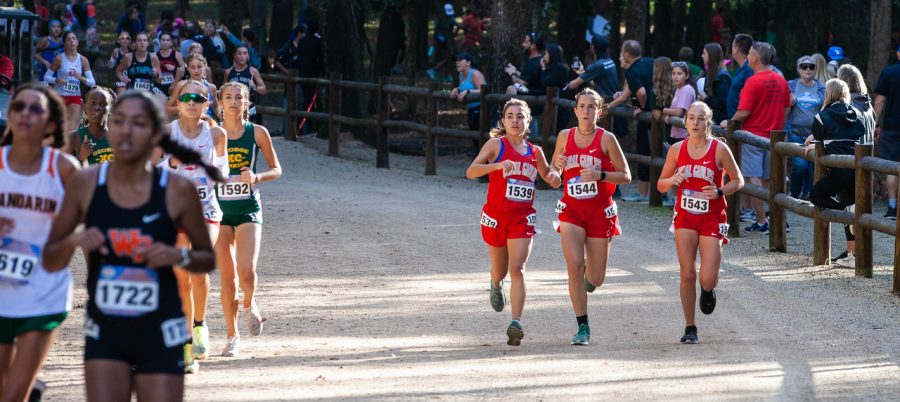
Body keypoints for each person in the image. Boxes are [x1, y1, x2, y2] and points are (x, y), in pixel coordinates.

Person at [43, 90, 219, 401]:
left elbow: (206, 259)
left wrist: (176, 255)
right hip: (106, 328)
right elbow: (50, 258)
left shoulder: (177, 189)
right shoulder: (85, 184)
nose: (125, 130)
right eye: (119, 121)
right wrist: (74, 239)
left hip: (162, 326)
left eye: (138, 122)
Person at [0, 83, 77, 402]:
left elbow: (80, 230)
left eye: (35, 109)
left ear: (50, 123)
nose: (25, 114)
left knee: (13, 396)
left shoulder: (63, 169)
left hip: (44, 292)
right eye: (19, 107)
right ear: (8, 115)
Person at [465, 98, 560, 346]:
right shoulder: (496, 144)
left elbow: (549, 175)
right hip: (496, 218)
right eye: (510, 116)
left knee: (518, 269)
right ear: (503, 121)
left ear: (528, 121)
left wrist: (556, 176)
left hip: (522, 219)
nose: (515, 121)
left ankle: (516, 322)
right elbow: (471, 171)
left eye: (520, 116)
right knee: (501, 271)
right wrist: (497, 166)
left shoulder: (535, 152)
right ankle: (495, 284)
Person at [657, 101, 744, 344]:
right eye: (691, 118)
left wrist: (719, 191)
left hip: (712, 217)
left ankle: (708, 289)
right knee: (686, 274)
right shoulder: (676, 150)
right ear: (685, 122)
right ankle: (690, 327)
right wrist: (672, 179)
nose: (696, 123)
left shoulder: (719, 149)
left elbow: (738, 181)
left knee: (706, 277)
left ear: (709, 123)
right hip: (684, 217)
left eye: (701, 118)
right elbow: (661, 184)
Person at [550, 89, 631, 345]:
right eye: (582, 106)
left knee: (596, 279)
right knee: (573, 264)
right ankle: (582, 327)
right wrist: (555, 169)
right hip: (571, 210)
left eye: (591, 107)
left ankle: (589, 274)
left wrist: (602, 175)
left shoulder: (607, 139)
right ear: (574, 110)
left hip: (599, 213)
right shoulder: (565, 136)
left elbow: (626, 176)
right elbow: (554, 172)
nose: (586, 111)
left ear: (599, 111)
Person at [166, 80, 229, 373]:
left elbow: (224, 173)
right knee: (181, 279)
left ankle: (201, 324)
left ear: (206, 104)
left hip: (206, 209)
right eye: (186, 98)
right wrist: (173, 164)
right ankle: (186, 344)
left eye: (198, 98)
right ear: (177, 103)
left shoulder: (216, 133)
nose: (191, 102)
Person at [215, 82, 281, 356]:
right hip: (217, 211)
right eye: (228, 97)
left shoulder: (258, 133)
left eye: (238, 98)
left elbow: (276, 169)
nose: (233, 102)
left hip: (248, 208)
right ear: (219, 103)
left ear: (247, 103)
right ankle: (232, 336)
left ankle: (249, 305)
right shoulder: (211, 133)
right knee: (228, 279)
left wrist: (257, 177)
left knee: (246, 271)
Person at [722, 42, 791, 234]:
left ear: (755, 58)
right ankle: (776, 218)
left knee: (754, 178)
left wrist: (729, 122)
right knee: (771, 179)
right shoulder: (780, 80)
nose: (748, 57)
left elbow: (743, 111)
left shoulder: (753, 81)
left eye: (750, 53)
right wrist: (778, 125)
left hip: (753, 136)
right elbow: (787, 107)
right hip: (775, 137)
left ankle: (762, 221)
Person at [804, 80, 867, 268]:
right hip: (857, 171)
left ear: (828, 94)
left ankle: (842, 211)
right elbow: (858, 133)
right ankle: (852, 255)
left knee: (816, 195)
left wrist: (814, 142)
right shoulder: (857, 114)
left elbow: (819, 135)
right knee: (853, 208)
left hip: (840, 172)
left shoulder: (822, 116)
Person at [828, 64, 875, 266]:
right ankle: (853, 252)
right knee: (858, 208)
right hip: (867, 162)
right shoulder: (868, 105)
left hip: (849, 162)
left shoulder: (849, 107)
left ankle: (853, 254)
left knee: (849, 206)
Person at [609, 40, 654, 202]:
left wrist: (643, 107)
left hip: (648, 116)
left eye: (622, 52)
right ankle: (647, 192)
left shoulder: (632, 72)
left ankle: (643, 193)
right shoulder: (649, 62)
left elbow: (641, 92)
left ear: (627, 54)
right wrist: (607, 106)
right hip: (660, 112)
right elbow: (624, 96)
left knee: (644, 150)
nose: (620, 55)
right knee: (655, 152)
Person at [785, 56, 825, 200]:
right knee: (801, 165)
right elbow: (783, 106)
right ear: (798, 69)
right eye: (804, 66)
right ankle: (794, 194)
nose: (808, 69)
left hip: (814, 134)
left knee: (812, 166)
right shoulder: (791, 85)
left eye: (811, 66)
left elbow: (825, 110)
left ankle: (808, 194)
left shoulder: (821, 88)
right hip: (795, 133)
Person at [45, 31, 95, 135]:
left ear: (77, 42)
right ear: (64, 43)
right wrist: (56, 80)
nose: (71, 41)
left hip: (75, 97)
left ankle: (68, 150)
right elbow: (47, 77)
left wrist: (80, 77)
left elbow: (92, 82)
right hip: (60, 96)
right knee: (60, 126)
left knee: (72, 129)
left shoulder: (83, 60)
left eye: (74, 39)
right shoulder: (59, 59)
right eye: (68, 39)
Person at [873, 47, 900, 219]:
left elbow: (880, 100)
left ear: (898, 53)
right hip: (890, 127)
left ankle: (892, 207)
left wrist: (874, 123)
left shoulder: (889, 73)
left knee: (892, 168)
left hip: (892, 126)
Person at [68, 86, 115, 166]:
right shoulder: (74, 137)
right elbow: (66, 173)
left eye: (103, 104)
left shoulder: (119, 137)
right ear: (84, 106)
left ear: (110, 108)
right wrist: (81, 157)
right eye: (93, 103)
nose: (97, 107)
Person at [167, 53, 218, 119]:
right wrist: (184, 108)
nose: (196, 71)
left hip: (207, 125)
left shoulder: (211, 87)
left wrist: (220, 113)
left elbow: (215, 107)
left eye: (199, 67)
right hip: (187, 125)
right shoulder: (181, 85)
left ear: (205, 66)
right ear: (187, 68)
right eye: (192, 67)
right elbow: (168, 108)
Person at [224, 46, 267, 124]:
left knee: (248, 131)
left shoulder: (253, 71)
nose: (242, 56)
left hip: (248, 107)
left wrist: (254, 87)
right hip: (232, 106)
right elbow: (223, 90)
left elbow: (264, 90)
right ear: (235, 56)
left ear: (248, 56)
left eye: (245, 53)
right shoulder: (228, 72)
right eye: (239, 53)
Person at [539, 44, 572, 133]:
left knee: (556, 136)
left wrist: (543, 68)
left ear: (551, 54)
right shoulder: (553, 67)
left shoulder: (560, 68)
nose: (544, 56)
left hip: (561, 111)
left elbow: (544, 83)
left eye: (546, 54)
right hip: (554, 109)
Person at [448, 51, 484, 131]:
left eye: (460, 60)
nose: (457, 62)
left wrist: (468, 91)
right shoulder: (461, 74)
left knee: (479, 138)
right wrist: (457, 89)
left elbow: (484, 90)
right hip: (471, 109)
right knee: (473, 136)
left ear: (468, 62)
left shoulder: (475, 74)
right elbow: (463, 87)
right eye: (456, 60)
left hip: (481, 110)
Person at [664, 61, 698, 144]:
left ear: (687, 76)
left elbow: (678, 112)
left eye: (679, 74)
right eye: (673, 73)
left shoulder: (686, 90)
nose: (675, 77)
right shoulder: (679, 88)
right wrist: (669, 113)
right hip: (677, 133)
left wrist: (663, 110)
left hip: (683, 134)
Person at [724, 33, 754, 122]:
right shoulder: (742, 68)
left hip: (740, 123)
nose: (732, 48)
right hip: (734, 120)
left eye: (733, 46)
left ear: (736, 49)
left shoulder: (749, 69)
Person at [699, 43, 731, 124]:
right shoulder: (711, 73)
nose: (702, 56)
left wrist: (706, 98)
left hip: (719, 122)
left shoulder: (722, 77)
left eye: (704, 53)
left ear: (711, 55)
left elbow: (722, 103)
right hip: (712, 120)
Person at [156, 32, 185, 96]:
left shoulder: (177, 55)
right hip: (159, 87)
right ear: (159, 41)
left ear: (171, 42)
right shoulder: (155, 55)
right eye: (163, 40)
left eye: (168, 40)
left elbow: (183, 71)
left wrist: (174, 68)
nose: (165, 42)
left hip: (174, 86)